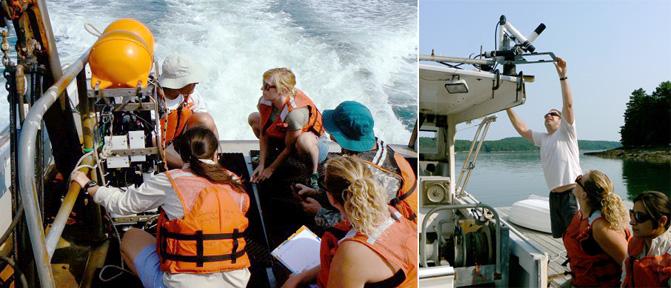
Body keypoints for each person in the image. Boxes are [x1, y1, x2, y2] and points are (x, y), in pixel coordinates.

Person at [71, 127, 250, 288]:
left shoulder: (171, 180)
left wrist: (90, 186)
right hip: (236, 283)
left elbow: (123, 204)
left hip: (181, 284)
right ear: (216, 154)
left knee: (131, 237)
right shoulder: (235, 182)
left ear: (182, 154)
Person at [282, 155, 417, 288]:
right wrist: (302, 276)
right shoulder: (391, 214)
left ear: (332, 198)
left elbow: (351, 262)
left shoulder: (352, 252)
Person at [294, 101, 417, 228]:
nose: (330, 136)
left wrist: (319, 213)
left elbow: (363, 220)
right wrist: (316, 193)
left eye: (334, 132)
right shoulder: (374, 145)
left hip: (398, 227)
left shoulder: (369, 176)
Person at [506, 57, 581, 238]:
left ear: (561, 119)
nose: (549, 116)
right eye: (546, 115)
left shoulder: (567, 132)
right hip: (554, 196)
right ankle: (572, 263)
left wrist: (563, 77)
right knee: (563, 236)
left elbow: (568, 105)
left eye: (553, 114)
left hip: (572, 193)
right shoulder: (543, 138)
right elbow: (522, 129)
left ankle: (581, 265)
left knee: (577, 235)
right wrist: (507, 105)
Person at [247, 68, 328, 188]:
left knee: (303, 141)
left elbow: (290, 147)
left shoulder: (295, 113)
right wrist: (262, 164)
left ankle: (313, 174)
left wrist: (271, 169)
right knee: (254, 118)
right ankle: (269, 156)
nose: (262, 89)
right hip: (287, 137)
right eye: (263, 84)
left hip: (311, 146)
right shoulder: (265, 100)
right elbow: (264, 132)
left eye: (267, 86)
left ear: (282, 90)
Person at [563, 170, 630, 287]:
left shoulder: (601, 227)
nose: (575, 181)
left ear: (584, 194)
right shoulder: (581, 215)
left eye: (579, 179)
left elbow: (629, 263)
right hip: (580, 281)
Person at [158, 53, 219, 168]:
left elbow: (210, 126)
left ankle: (203, 157)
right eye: (192, 81)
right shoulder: (154, 101)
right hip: (160, 148)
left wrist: (214, 156)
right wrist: (186, 167)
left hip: (180, 140)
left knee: (205, 119)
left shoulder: (192, 95)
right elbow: (154, 147)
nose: (196, 83)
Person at [622, 191, 671, 287]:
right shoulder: (634, 244)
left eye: (639, 216)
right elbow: (624, 279)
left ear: (662, 221)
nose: (631, 222)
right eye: (632, 214)